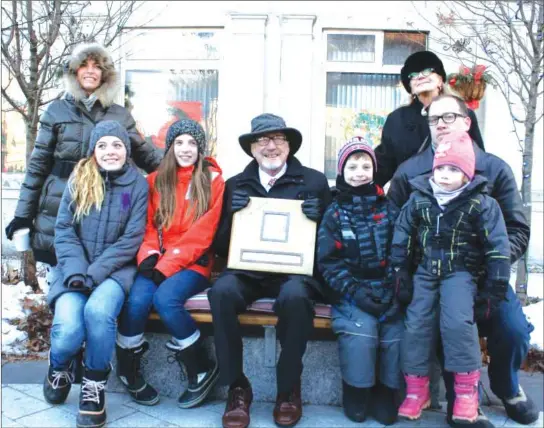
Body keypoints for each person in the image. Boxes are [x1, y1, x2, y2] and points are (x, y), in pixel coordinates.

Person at [388, 94, 537, 427]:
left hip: (482, 275)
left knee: (512, 327)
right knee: (433, 318)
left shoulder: (494, 169)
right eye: (434, 119)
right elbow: (396, 226)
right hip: (427, 275)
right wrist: (409, 271)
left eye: (449, 117)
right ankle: (459, 397)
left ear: (467, 122)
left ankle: (506, 385)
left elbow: (516, 230)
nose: (441, 123)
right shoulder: (410, 172)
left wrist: (485, 268)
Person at [209, 113, 332, 428]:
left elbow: (331, 241)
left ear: (289, 145)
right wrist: (231, 217)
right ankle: (237, 386)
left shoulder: (315, 181)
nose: (271, 146)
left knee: (295, 297)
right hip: (247, 270)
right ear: (252, 149)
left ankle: (287, 386)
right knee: (221, 292)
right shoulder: (236, 184)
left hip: (294, 272)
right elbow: (220, 247)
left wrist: (319, 222)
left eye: (278, 138)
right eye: (262, 140)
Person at [4, 42, 161, 278]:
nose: (90, 71)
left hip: (104, 208)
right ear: (74, 72)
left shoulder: (119, 114)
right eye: (84, 65)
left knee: (98, 280)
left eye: (97, 66)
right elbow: (38, 166)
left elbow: (145, 154)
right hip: (58, 207)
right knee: (62, 282)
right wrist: (23, 214)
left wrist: (188, 165)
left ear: (104, 74)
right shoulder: (57, 110)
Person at [42, 121, 149, 428]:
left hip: (115, 272)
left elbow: (132, 237)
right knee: (68, 332)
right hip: (73, 270)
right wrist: (77, 270)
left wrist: (98, 271)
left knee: (99, 313)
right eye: (102, 145)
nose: (109, 151)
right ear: (93, 151)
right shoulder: (80, 178)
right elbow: (63, 228)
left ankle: (94, 385)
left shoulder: (137, 185)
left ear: (126, 151)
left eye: (116, 145)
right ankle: (59, 365)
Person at [115, 119, 225, 409]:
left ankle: (201, 366)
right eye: (179, 142)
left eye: (192, 143)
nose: (185, 149)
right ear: (170, 146)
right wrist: (149, 255)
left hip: (193, 263)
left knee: (166, 298)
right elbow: (146, 223)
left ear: (200, 148)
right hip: (157, 260)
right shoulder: (154, 180)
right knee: (137, 300)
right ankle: (127, 369)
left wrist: (168, 265)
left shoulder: (212, 180)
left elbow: (205, 231)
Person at [317, 137, 403, 426]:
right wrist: (355, 292)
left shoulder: (389, 208)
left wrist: (394, 290)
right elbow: (328, 261)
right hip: (351, 291)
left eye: (366, 165)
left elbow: (400, 252)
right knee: (361, 333)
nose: (359, 172)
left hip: (387, 288)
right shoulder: (335, 211)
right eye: (352, 166)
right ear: (342, 171)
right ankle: (357, 392)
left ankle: (386, 392)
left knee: (394, 332)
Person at [374, 50, 484, 187]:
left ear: (440, 79)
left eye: (426, 71)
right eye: (413, 75)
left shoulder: (462, 113)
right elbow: (382, 166)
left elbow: (479, 159)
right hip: (411, 200)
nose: (420, 77)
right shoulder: (397, 120)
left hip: (457, 197)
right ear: (410, 88)